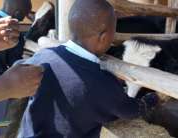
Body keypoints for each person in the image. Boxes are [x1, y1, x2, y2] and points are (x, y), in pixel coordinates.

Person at [18, 0, 159, 137]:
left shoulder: (44, 55)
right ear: (103, 37)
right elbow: (129, 110)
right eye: (113, 31)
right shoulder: (102, 83)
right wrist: (150, 100)